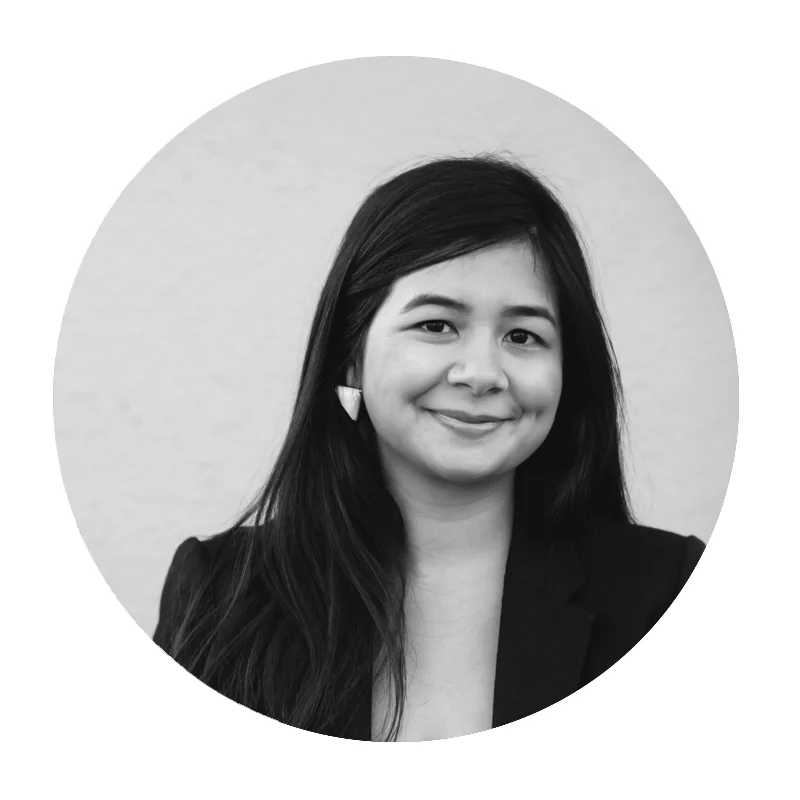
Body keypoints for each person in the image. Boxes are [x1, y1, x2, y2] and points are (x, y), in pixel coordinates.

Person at [153, 154, 705, 742]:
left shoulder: (668, 592)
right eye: (437, 325)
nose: (482, 373)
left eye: (523, 336)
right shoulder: (218, 592)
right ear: (351, 354)